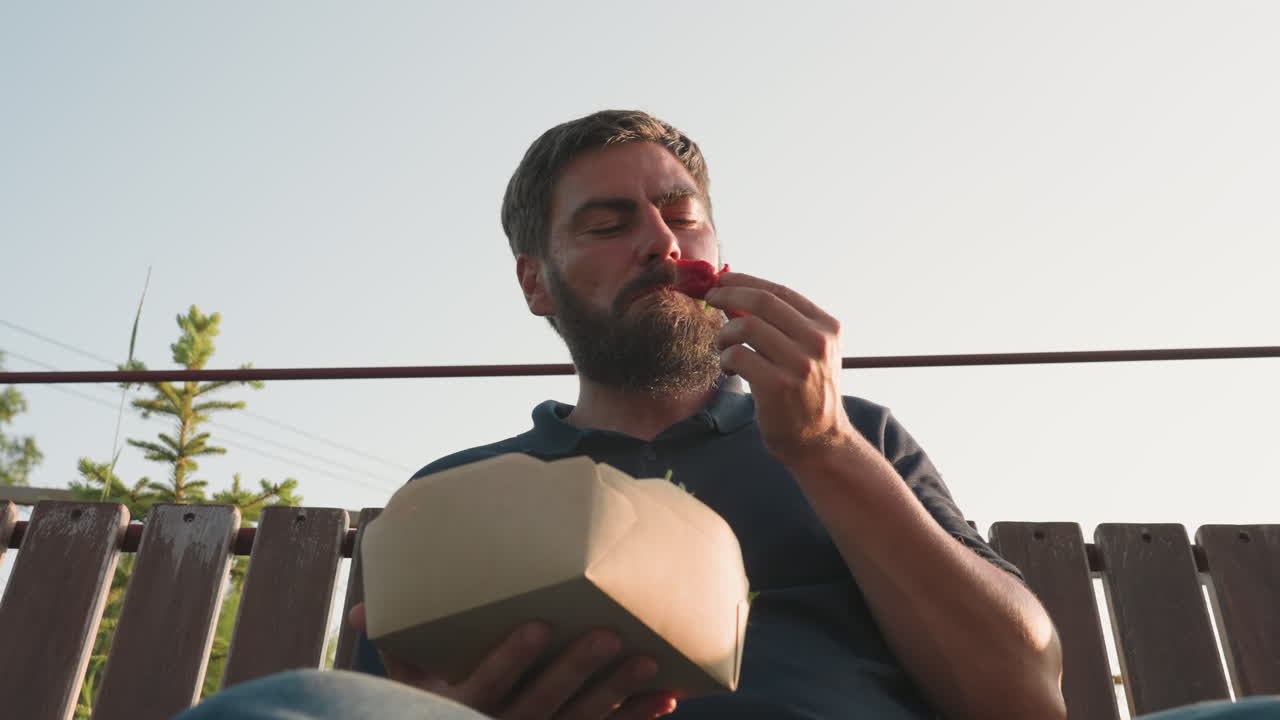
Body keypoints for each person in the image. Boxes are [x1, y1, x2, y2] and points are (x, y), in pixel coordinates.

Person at [180, 111, 1278, 720]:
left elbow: (1023, 698)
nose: (661, 243)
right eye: (608, 223)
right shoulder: (454, 496)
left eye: (681, 213)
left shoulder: (857, 436)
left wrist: (825, 449)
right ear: (534, 284)